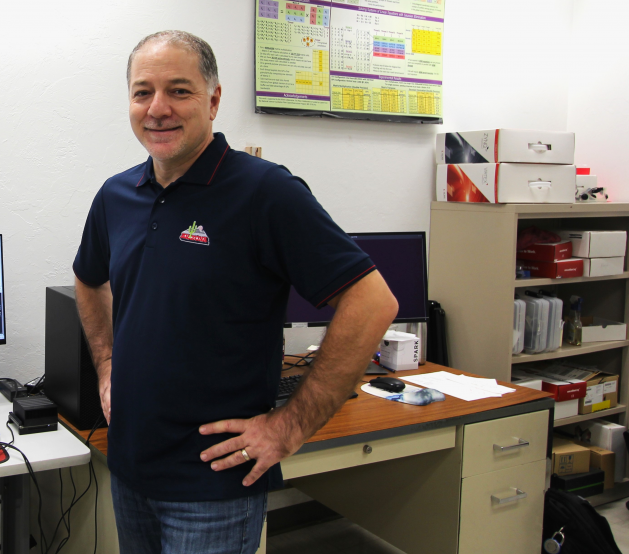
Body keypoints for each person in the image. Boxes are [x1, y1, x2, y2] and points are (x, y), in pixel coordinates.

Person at [72, 30, 398, 554]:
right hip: (130, 465)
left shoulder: (265, 192)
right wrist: (108, 367)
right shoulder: (116, 195)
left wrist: (289, 427)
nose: (157, 109)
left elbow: (373, 301)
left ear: (214, 99)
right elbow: (88, 279)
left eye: (179, 90)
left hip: (213, 484)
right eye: (142, 92)